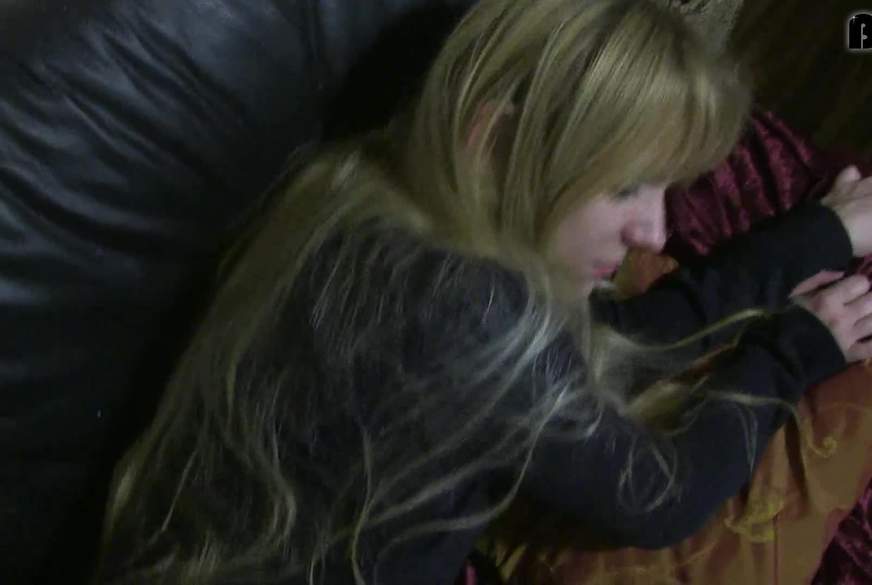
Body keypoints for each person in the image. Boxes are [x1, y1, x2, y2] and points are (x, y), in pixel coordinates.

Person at [95, 0, 872, 583]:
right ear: (495, 142)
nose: (656, 231)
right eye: (627, 187)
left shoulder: (352, 190)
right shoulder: (465, 309)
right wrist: (792, 353)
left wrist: (813, 239)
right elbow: (659, 494)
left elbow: (602, 347)